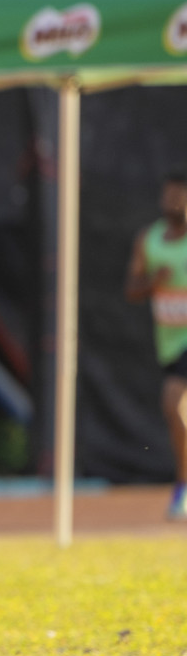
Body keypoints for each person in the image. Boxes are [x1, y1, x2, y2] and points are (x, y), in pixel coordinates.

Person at [127, 170, 187, 520]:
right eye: (168, 195)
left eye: (179, 195)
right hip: (169, 343)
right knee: (174, 411)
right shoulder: (148, 241)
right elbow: (132, 290)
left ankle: (181, 487)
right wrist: (154, 281)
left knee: (172, 399)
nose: (172, 202)